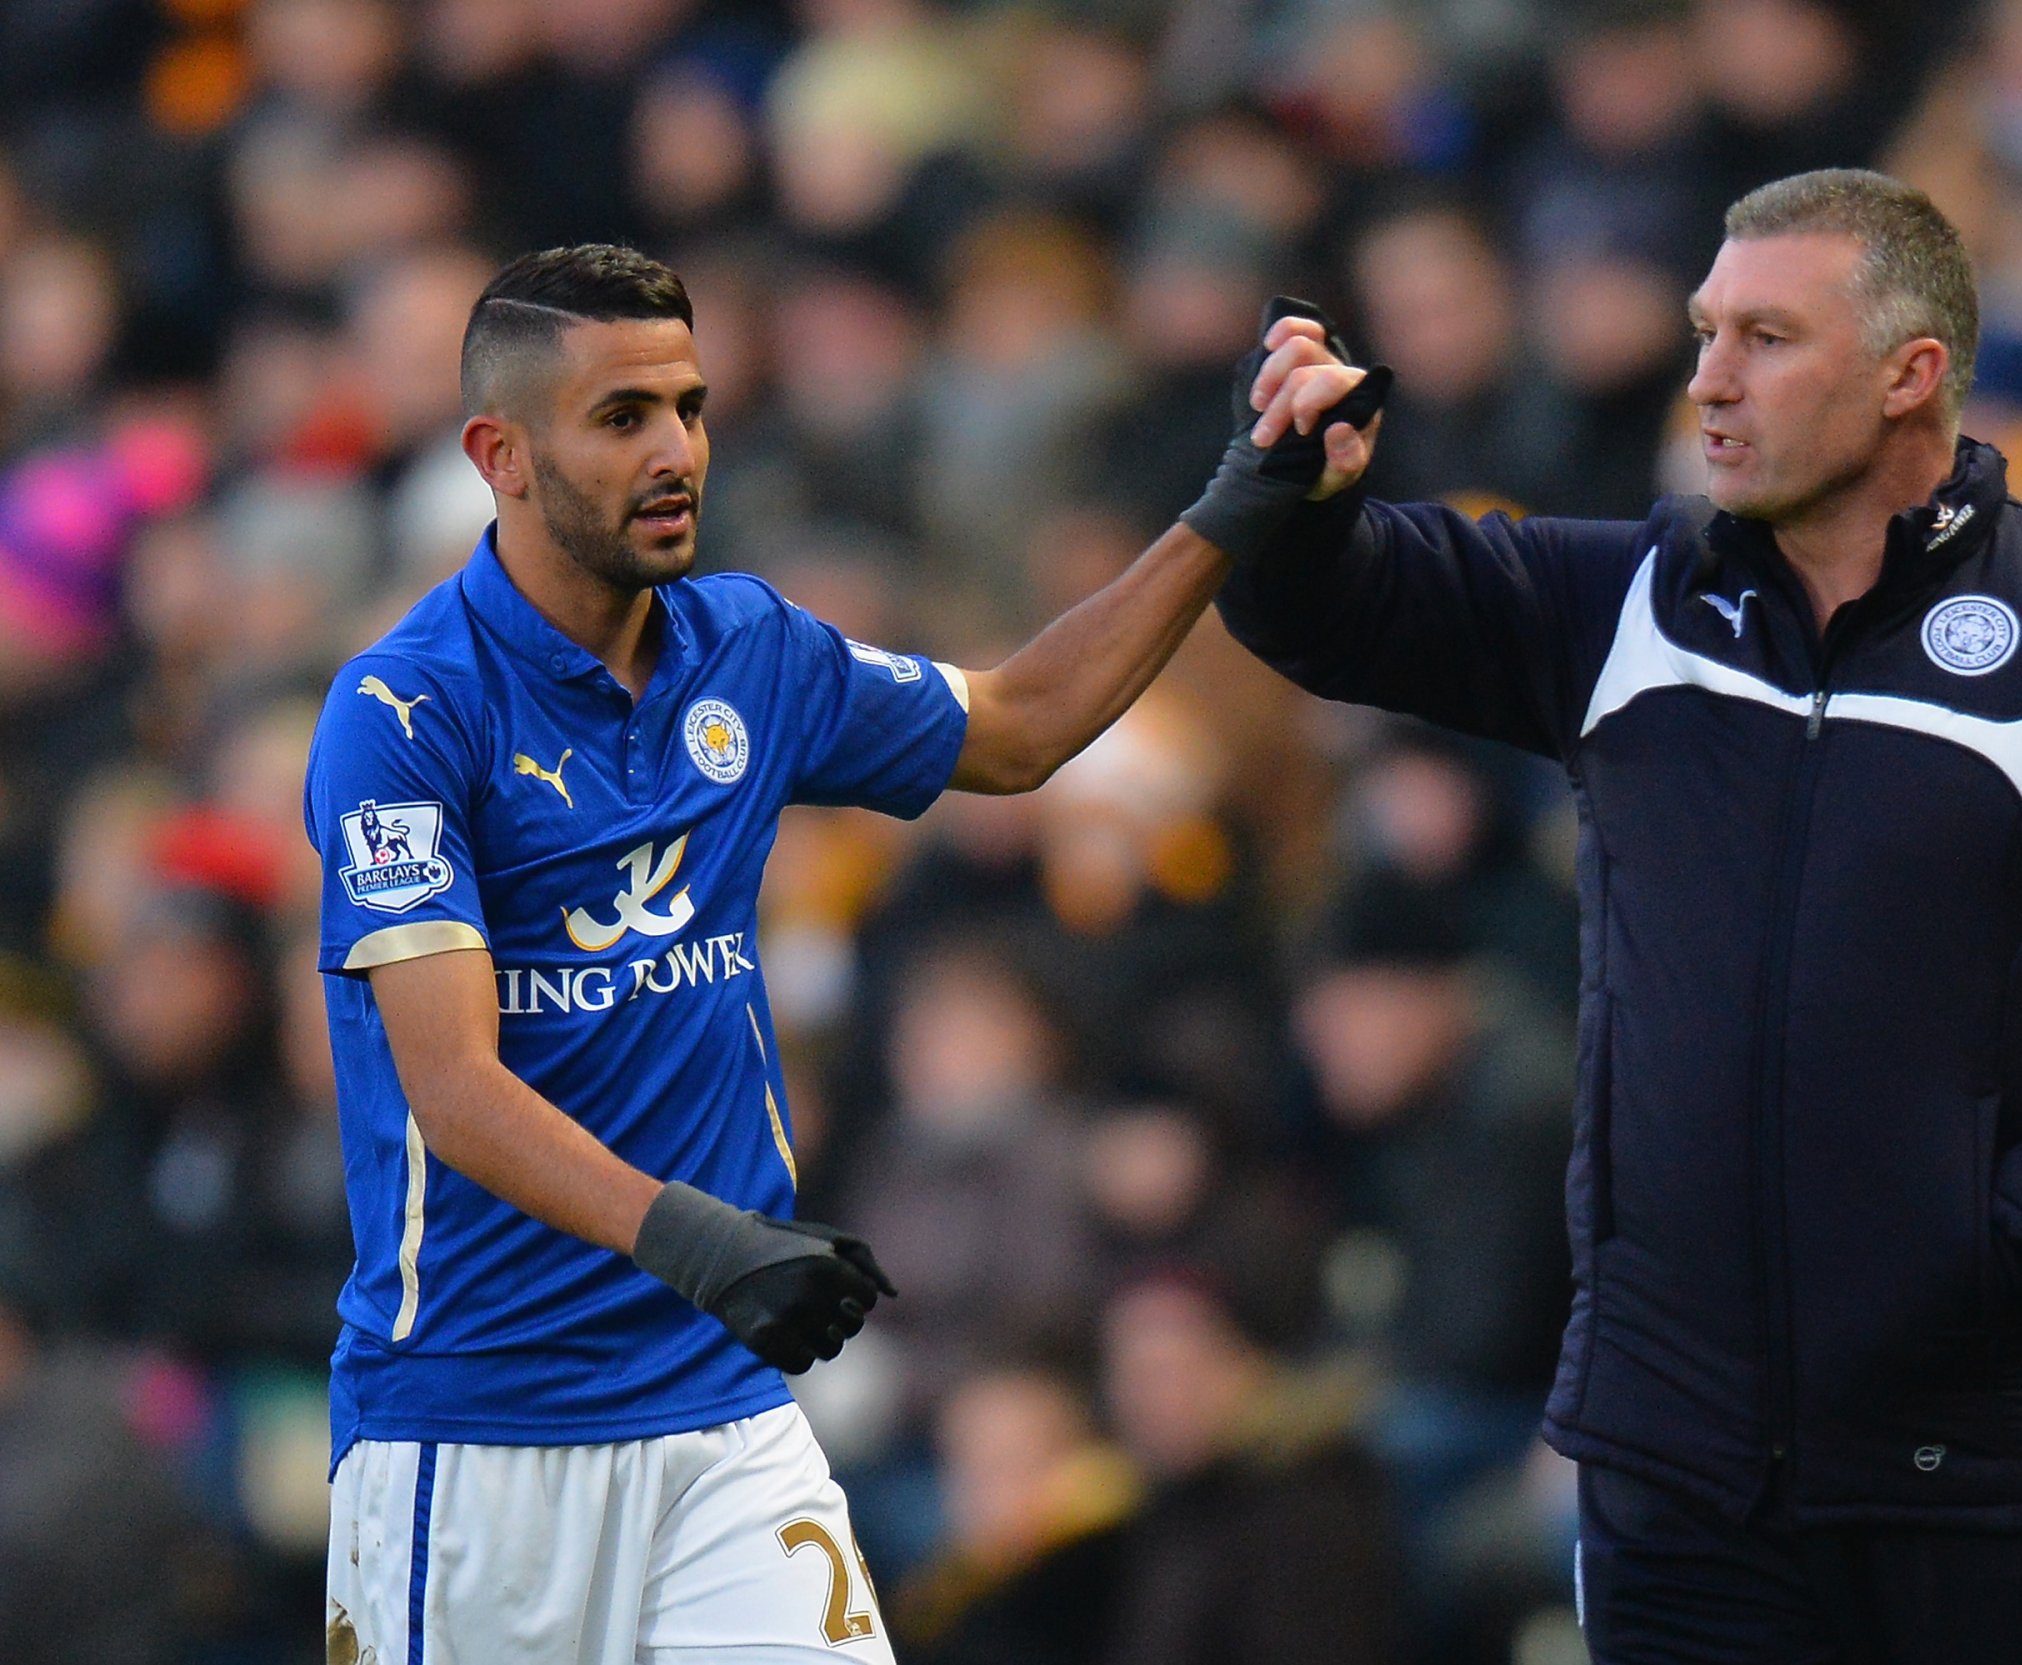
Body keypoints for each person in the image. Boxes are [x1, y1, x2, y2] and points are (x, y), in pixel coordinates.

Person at [1196, 170, 2022, 1662]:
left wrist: (2005, 1236)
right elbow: (1340, 608)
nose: (1709, 380)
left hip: (1982, 1478)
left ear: (1911, 373)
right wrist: (1299, 492)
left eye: (1765, 339)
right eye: (1706, 331)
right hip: (1675, 1472)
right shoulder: (1635, 600)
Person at [304, 244, 1366, 1665]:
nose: (675, 450)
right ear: (499, 452)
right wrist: (701, 1237)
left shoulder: (748, 650)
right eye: (622, 418)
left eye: (687, 406)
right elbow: (451, 1084)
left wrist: (1235, 504)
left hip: (723, 1412)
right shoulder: (404, 714)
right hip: (482, 1430)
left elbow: (1023, 722)